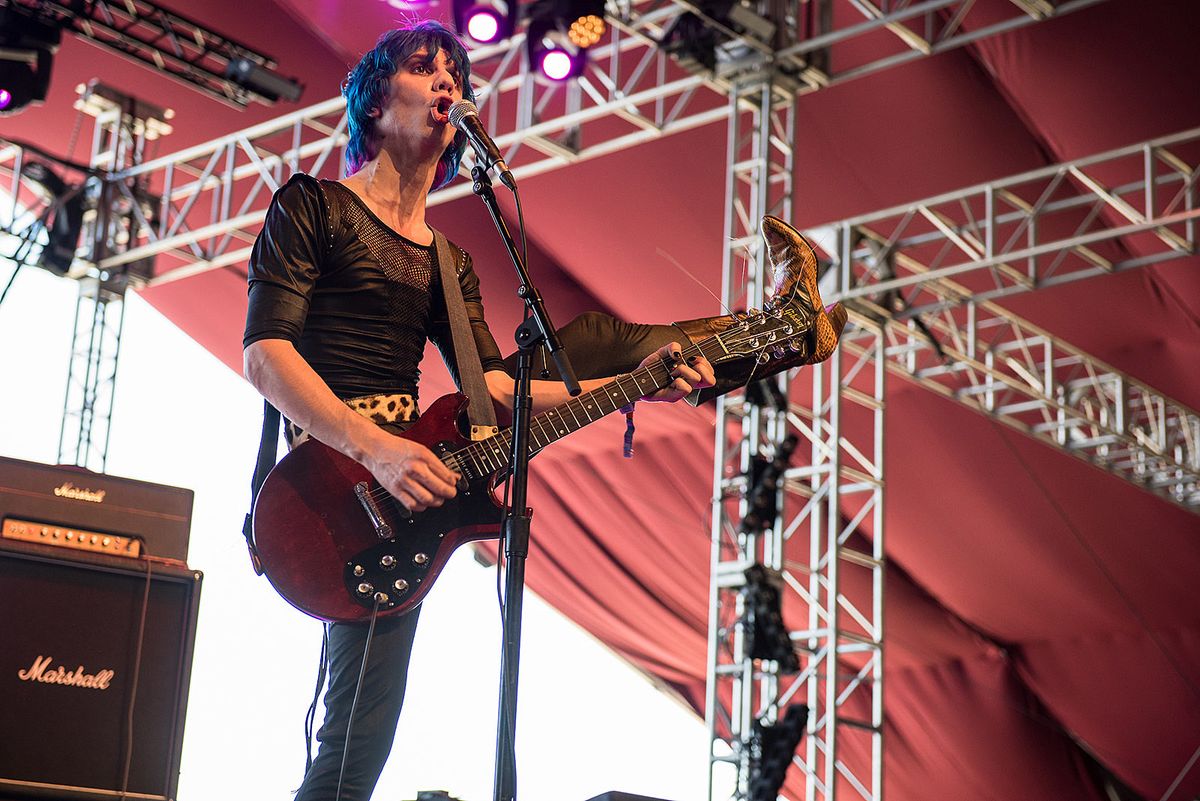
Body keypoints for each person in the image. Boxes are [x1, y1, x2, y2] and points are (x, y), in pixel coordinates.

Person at [242, 20, 843, 801]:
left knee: (600, 343)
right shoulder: (313, 207)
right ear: (373, 99)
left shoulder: (446, 258)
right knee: (349, 756)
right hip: (337, 477)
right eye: (425, 69)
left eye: (456, 72)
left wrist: (643, 384)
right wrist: (380, 449)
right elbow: (265, 357)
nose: (447, 83)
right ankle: (777, 330)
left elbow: (496, 390)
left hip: (414, 482)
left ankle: (776, 331)